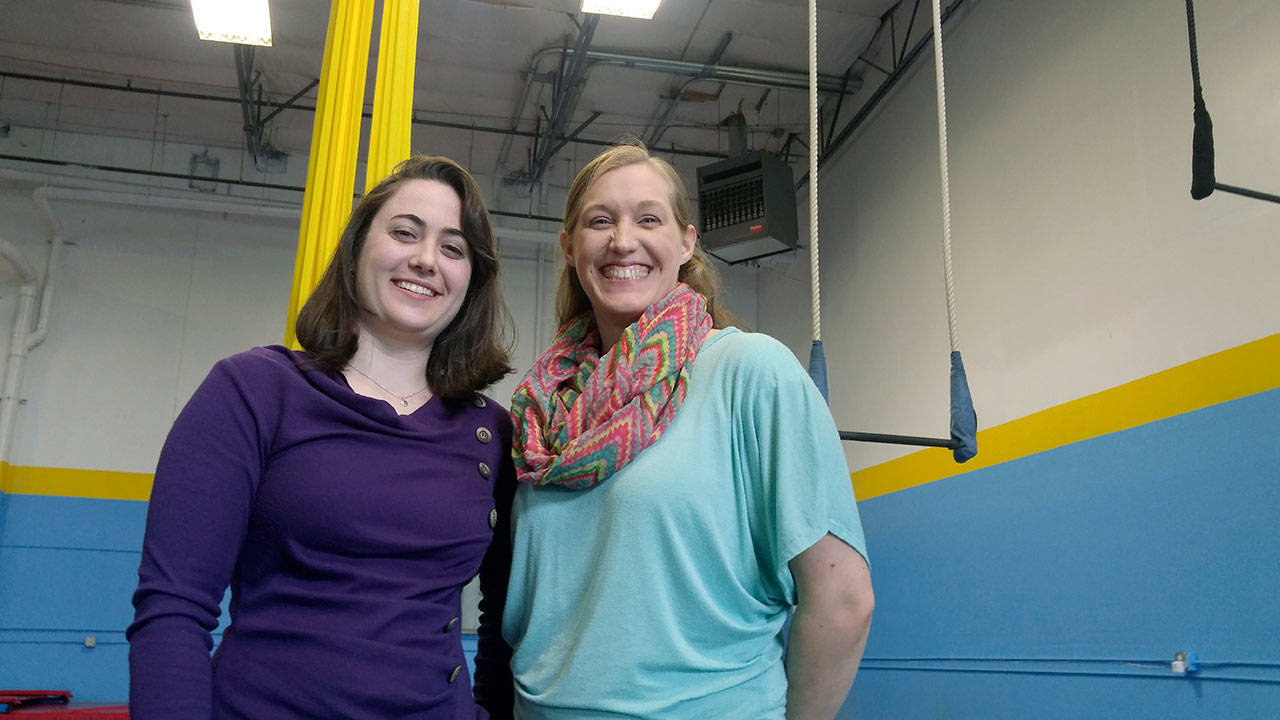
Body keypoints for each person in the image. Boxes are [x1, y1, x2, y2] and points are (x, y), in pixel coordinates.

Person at [128, 155, 516, 719]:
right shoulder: (255, 390)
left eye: (454, 249)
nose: (427, 259)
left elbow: (505, 623)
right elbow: (173, 609)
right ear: (358, 247)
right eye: (405, 232)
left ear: (471, 283)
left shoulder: (490, 432)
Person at [505, 142, 875, 719]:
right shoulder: (544, 411)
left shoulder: (749, 371)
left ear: (686, 242)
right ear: (571, 246)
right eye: (599, 221)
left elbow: (843, 601)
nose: (622, 240)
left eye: (648, 219)